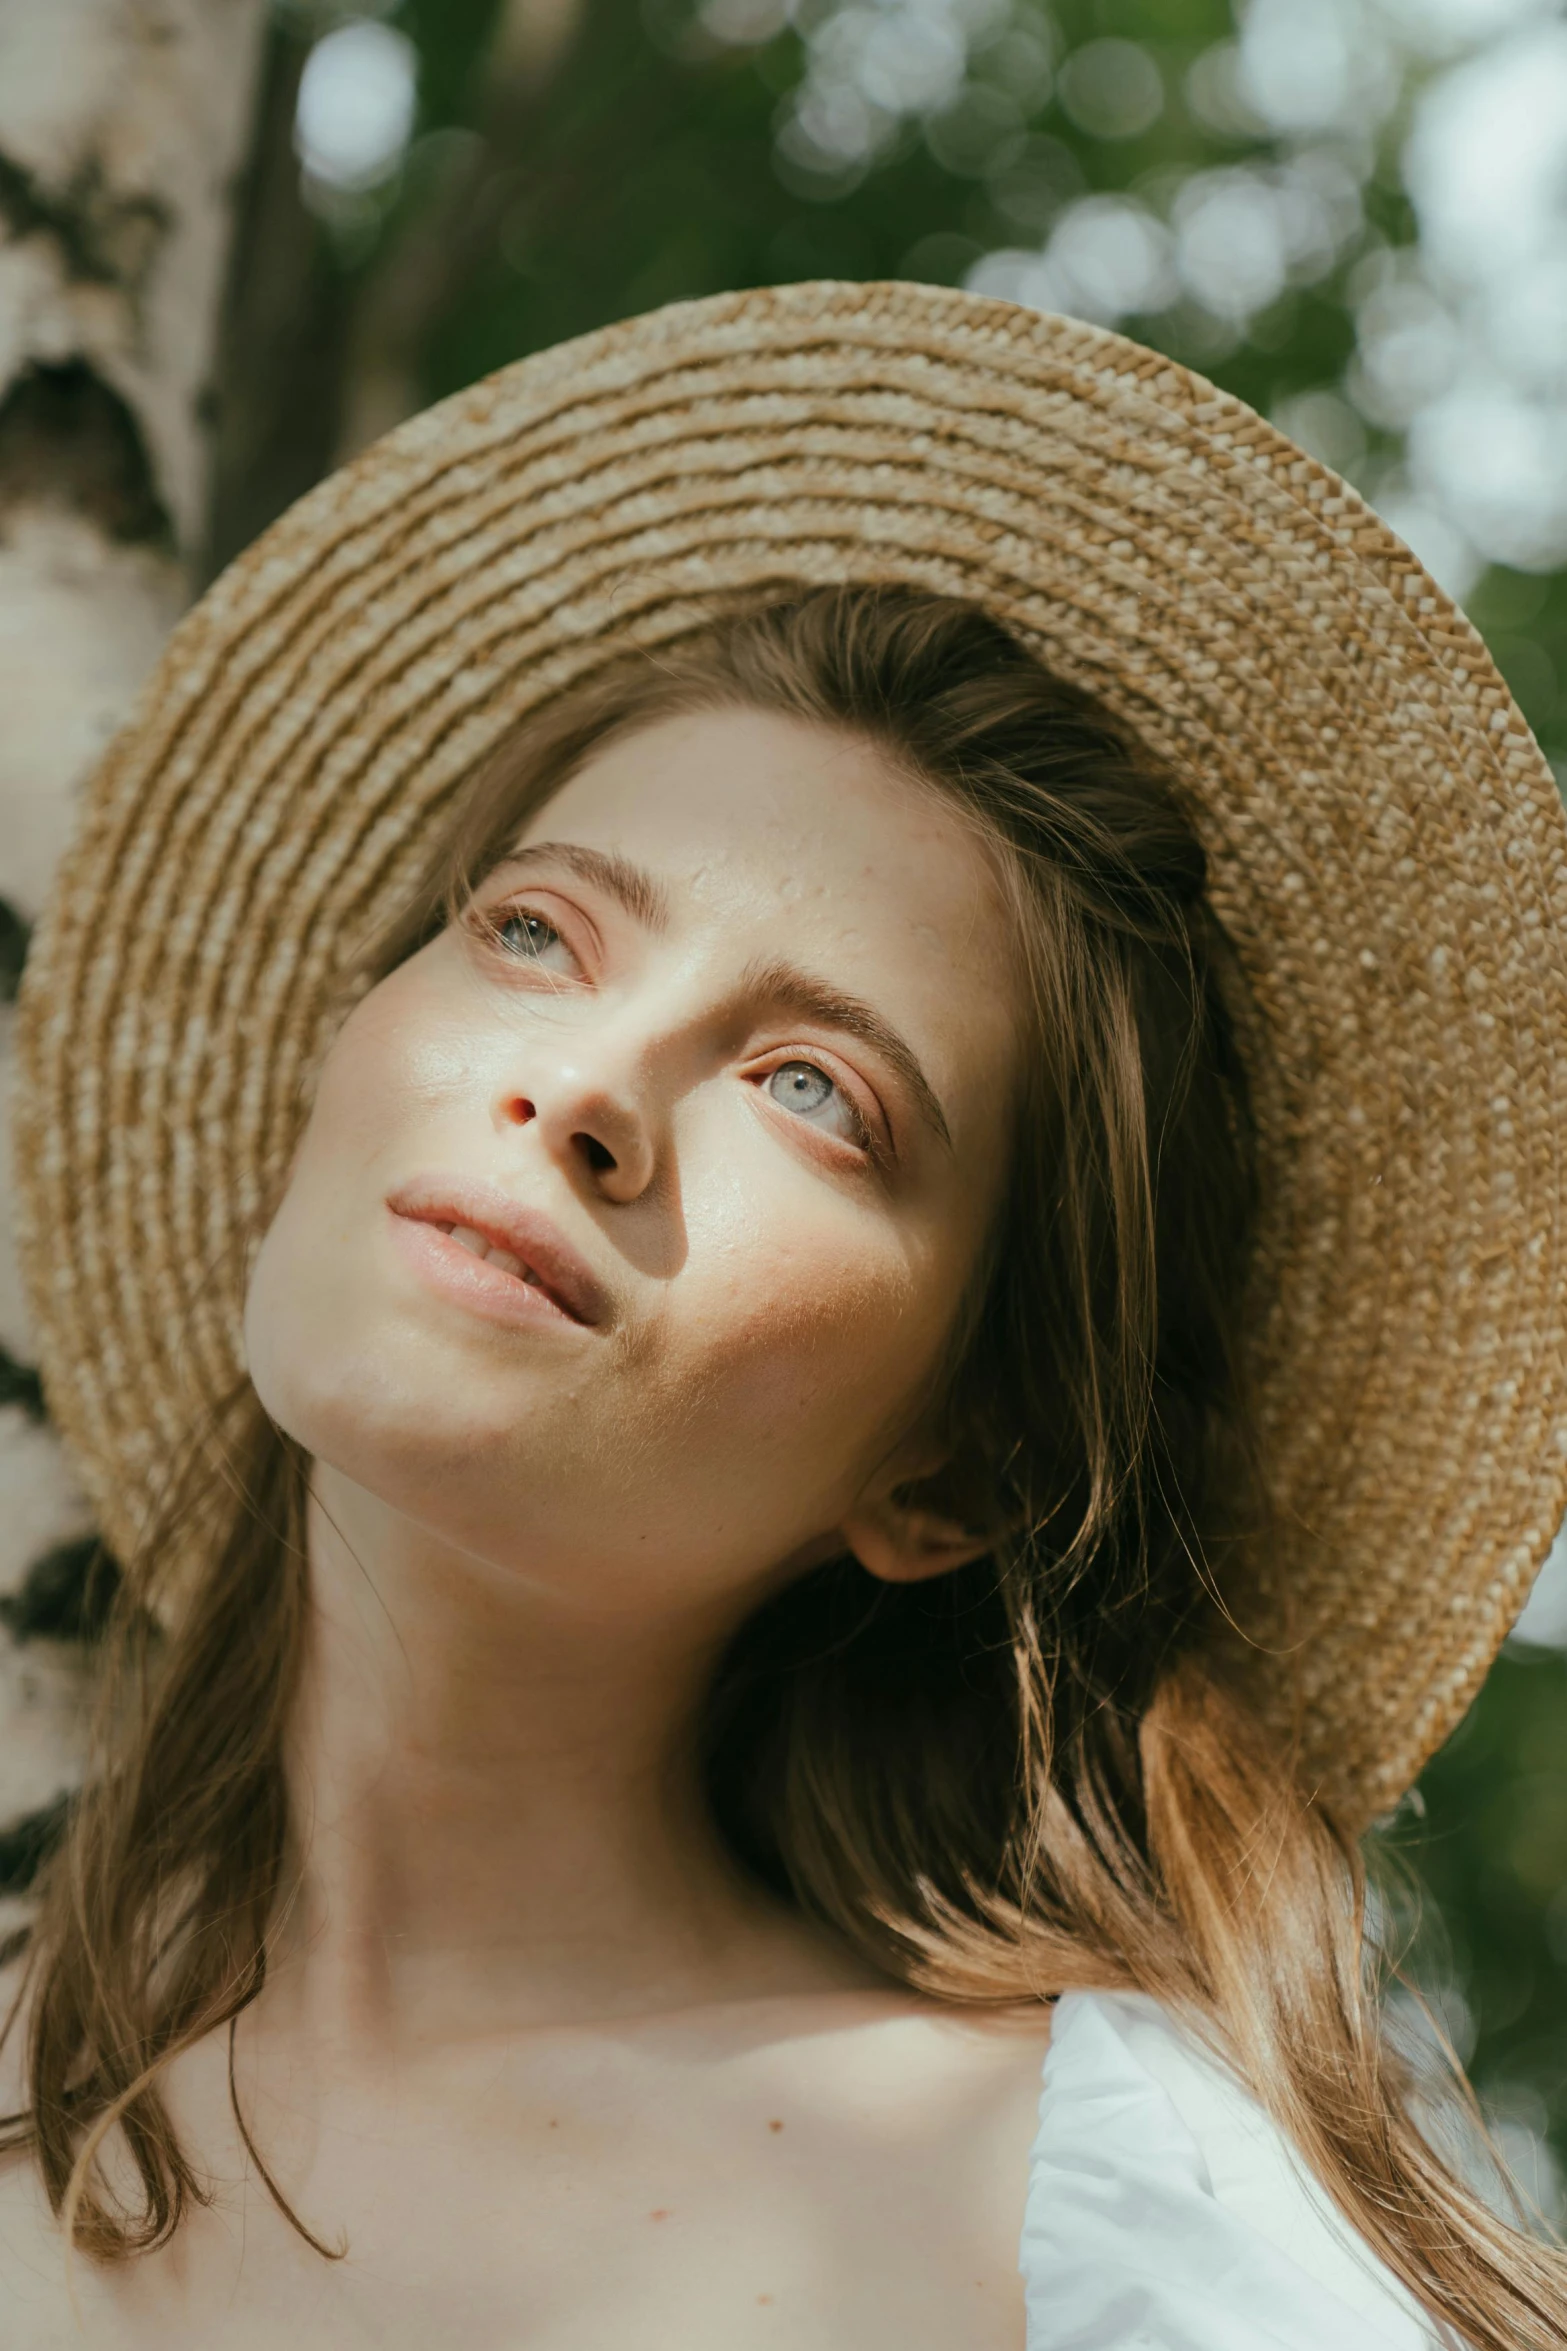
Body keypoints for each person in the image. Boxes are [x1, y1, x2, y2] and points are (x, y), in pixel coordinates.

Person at [2, 283, 1566, 2350]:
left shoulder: (1088, 2215)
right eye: (536, 930)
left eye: (814, 1090)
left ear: (955, 1464)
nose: (585, 1093)